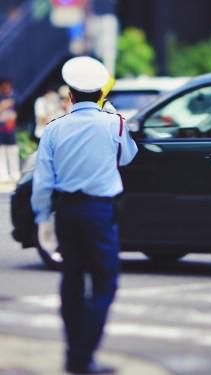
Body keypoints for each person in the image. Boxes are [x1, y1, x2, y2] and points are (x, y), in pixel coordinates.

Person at [31, 56, 138, 374]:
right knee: (105, 282)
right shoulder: (113, 123)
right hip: (100, 212)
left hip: (67, 211)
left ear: (71, 96)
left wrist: (41, 219)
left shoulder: (54, 129)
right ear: (100, 93)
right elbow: (129, 157)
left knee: (72, 282)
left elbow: (42, 182)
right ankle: (82, 356)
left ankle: (74, 354)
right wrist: (114, 116)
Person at [0, 77, 20, 183]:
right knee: (1, 153)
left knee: (13, 151)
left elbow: (18, 101)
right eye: (5, 86)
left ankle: (15, 173)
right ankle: (3, 175)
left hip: (10, 129)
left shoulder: (14, 95)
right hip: (0, 129)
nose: (7, 88)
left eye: (9, 85)